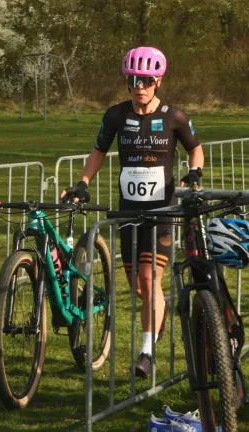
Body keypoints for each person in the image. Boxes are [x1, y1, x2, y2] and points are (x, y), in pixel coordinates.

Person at [62, 46, 204, 378]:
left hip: (161, 211)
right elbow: (98, 151)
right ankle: (160, 307)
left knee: (149, 278)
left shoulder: (174, 117)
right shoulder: (115, 115)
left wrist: (194, 172)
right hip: (128, 212)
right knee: (139, 288)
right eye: (133, 80)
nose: (139, 86)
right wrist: (82, 183)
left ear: (158, 82)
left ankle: (146, 353)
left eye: (147, 81)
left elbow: (195, 149)